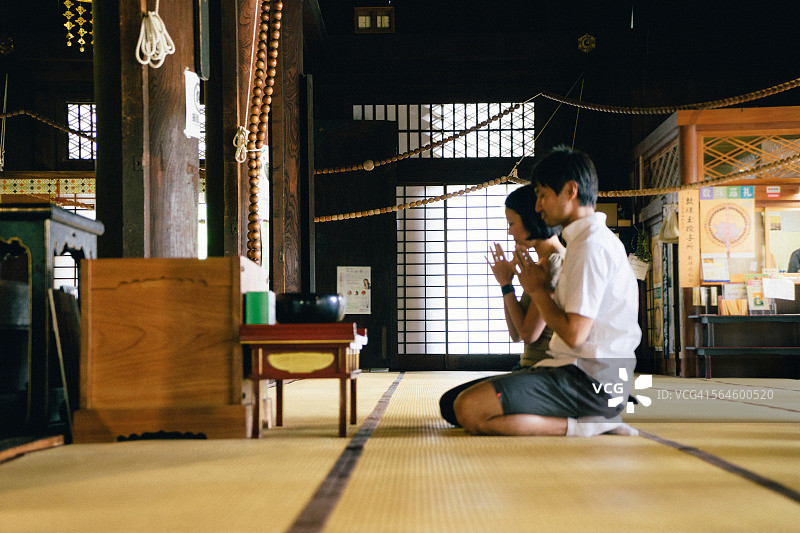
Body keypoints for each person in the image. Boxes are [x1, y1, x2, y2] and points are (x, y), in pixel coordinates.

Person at [452, 145, 641, 437]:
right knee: (459, 405)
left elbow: (574, 334)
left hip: (591, 380)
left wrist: (537, 290)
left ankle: (591, 424)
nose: (538, 206)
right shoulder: (584, 243)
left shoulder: (589, 247)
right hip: (573, 370)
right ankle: (591, 421)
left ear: (570, 191)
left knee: (470, 408)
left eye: (542, 194)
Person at [439, 184, 564, 426]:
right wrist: (506, 285)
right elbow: (516, 334)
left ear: (531, 218)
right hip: (526, 368)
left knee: (454, 405)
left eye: (511, 223)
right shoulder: (539, 263)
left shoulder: (552, 263)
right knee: (451, 402)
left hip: (544, 373)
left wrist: (509, 283)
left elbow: (528, 334)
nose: (509, 232)